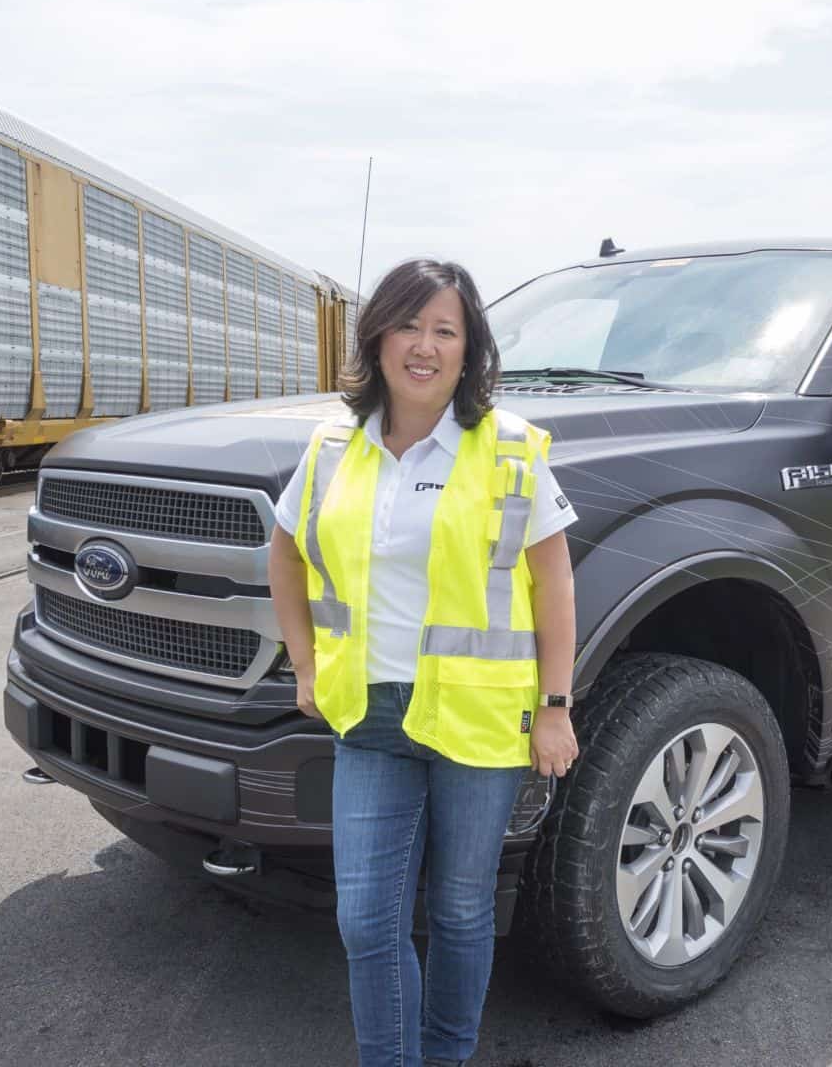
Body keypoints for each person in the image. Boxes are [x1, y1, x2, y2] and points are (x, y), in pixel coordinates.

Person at [267, 258, 580, 1067]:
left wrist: (555, 705)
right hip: (368, 712)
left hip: (477, 719)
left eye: (446, 330)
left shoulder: (508, 448)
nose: (425, 346)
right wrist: (302, 665)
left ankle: (447, 1057)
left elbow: (553, 582)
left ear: (468, 349)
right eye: (410, 324)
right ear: (376, 337)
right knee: (366, 921)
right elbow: (286, 549)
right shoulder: (334, 448)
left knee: (462, 911)